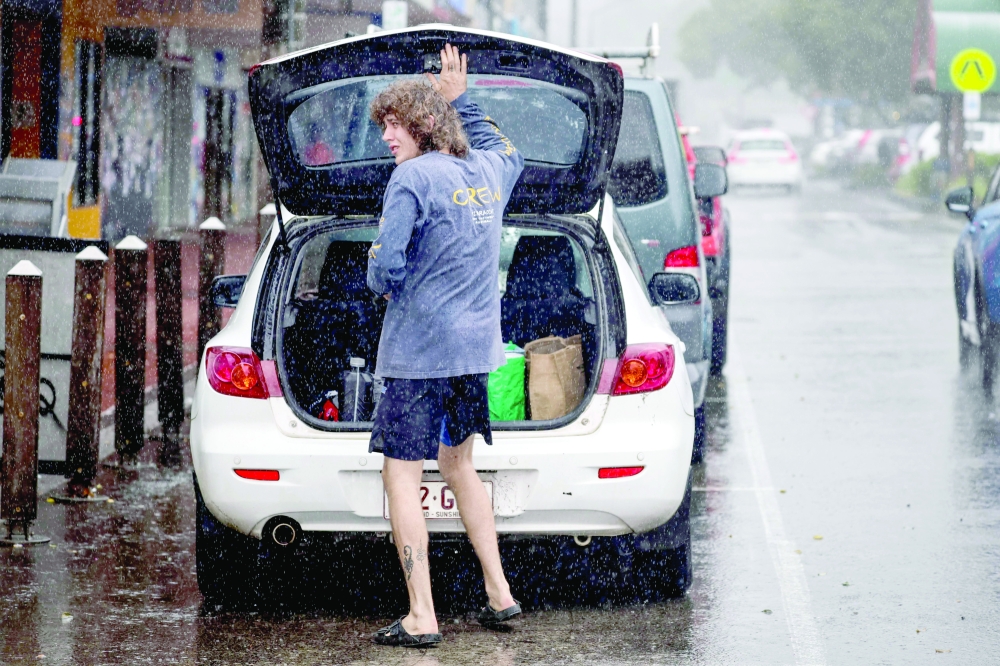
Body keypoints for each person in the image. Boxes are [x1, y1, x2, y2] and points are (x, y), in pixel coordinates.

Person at [366, 44, 525, 648]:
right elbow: (506, 149)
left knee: (400, 476)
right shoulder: (488, 172)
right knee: (461, 466)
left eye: (394, 125)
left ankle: (422, 616)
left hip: (418, 357)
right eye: (383, 126)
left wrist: (378, 269)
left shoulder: (410, 178)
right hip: (473, 354)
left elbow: (388, 268)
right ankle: (500, 594)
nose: (386, 137)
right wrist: (467, 101)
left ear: (424, 126)